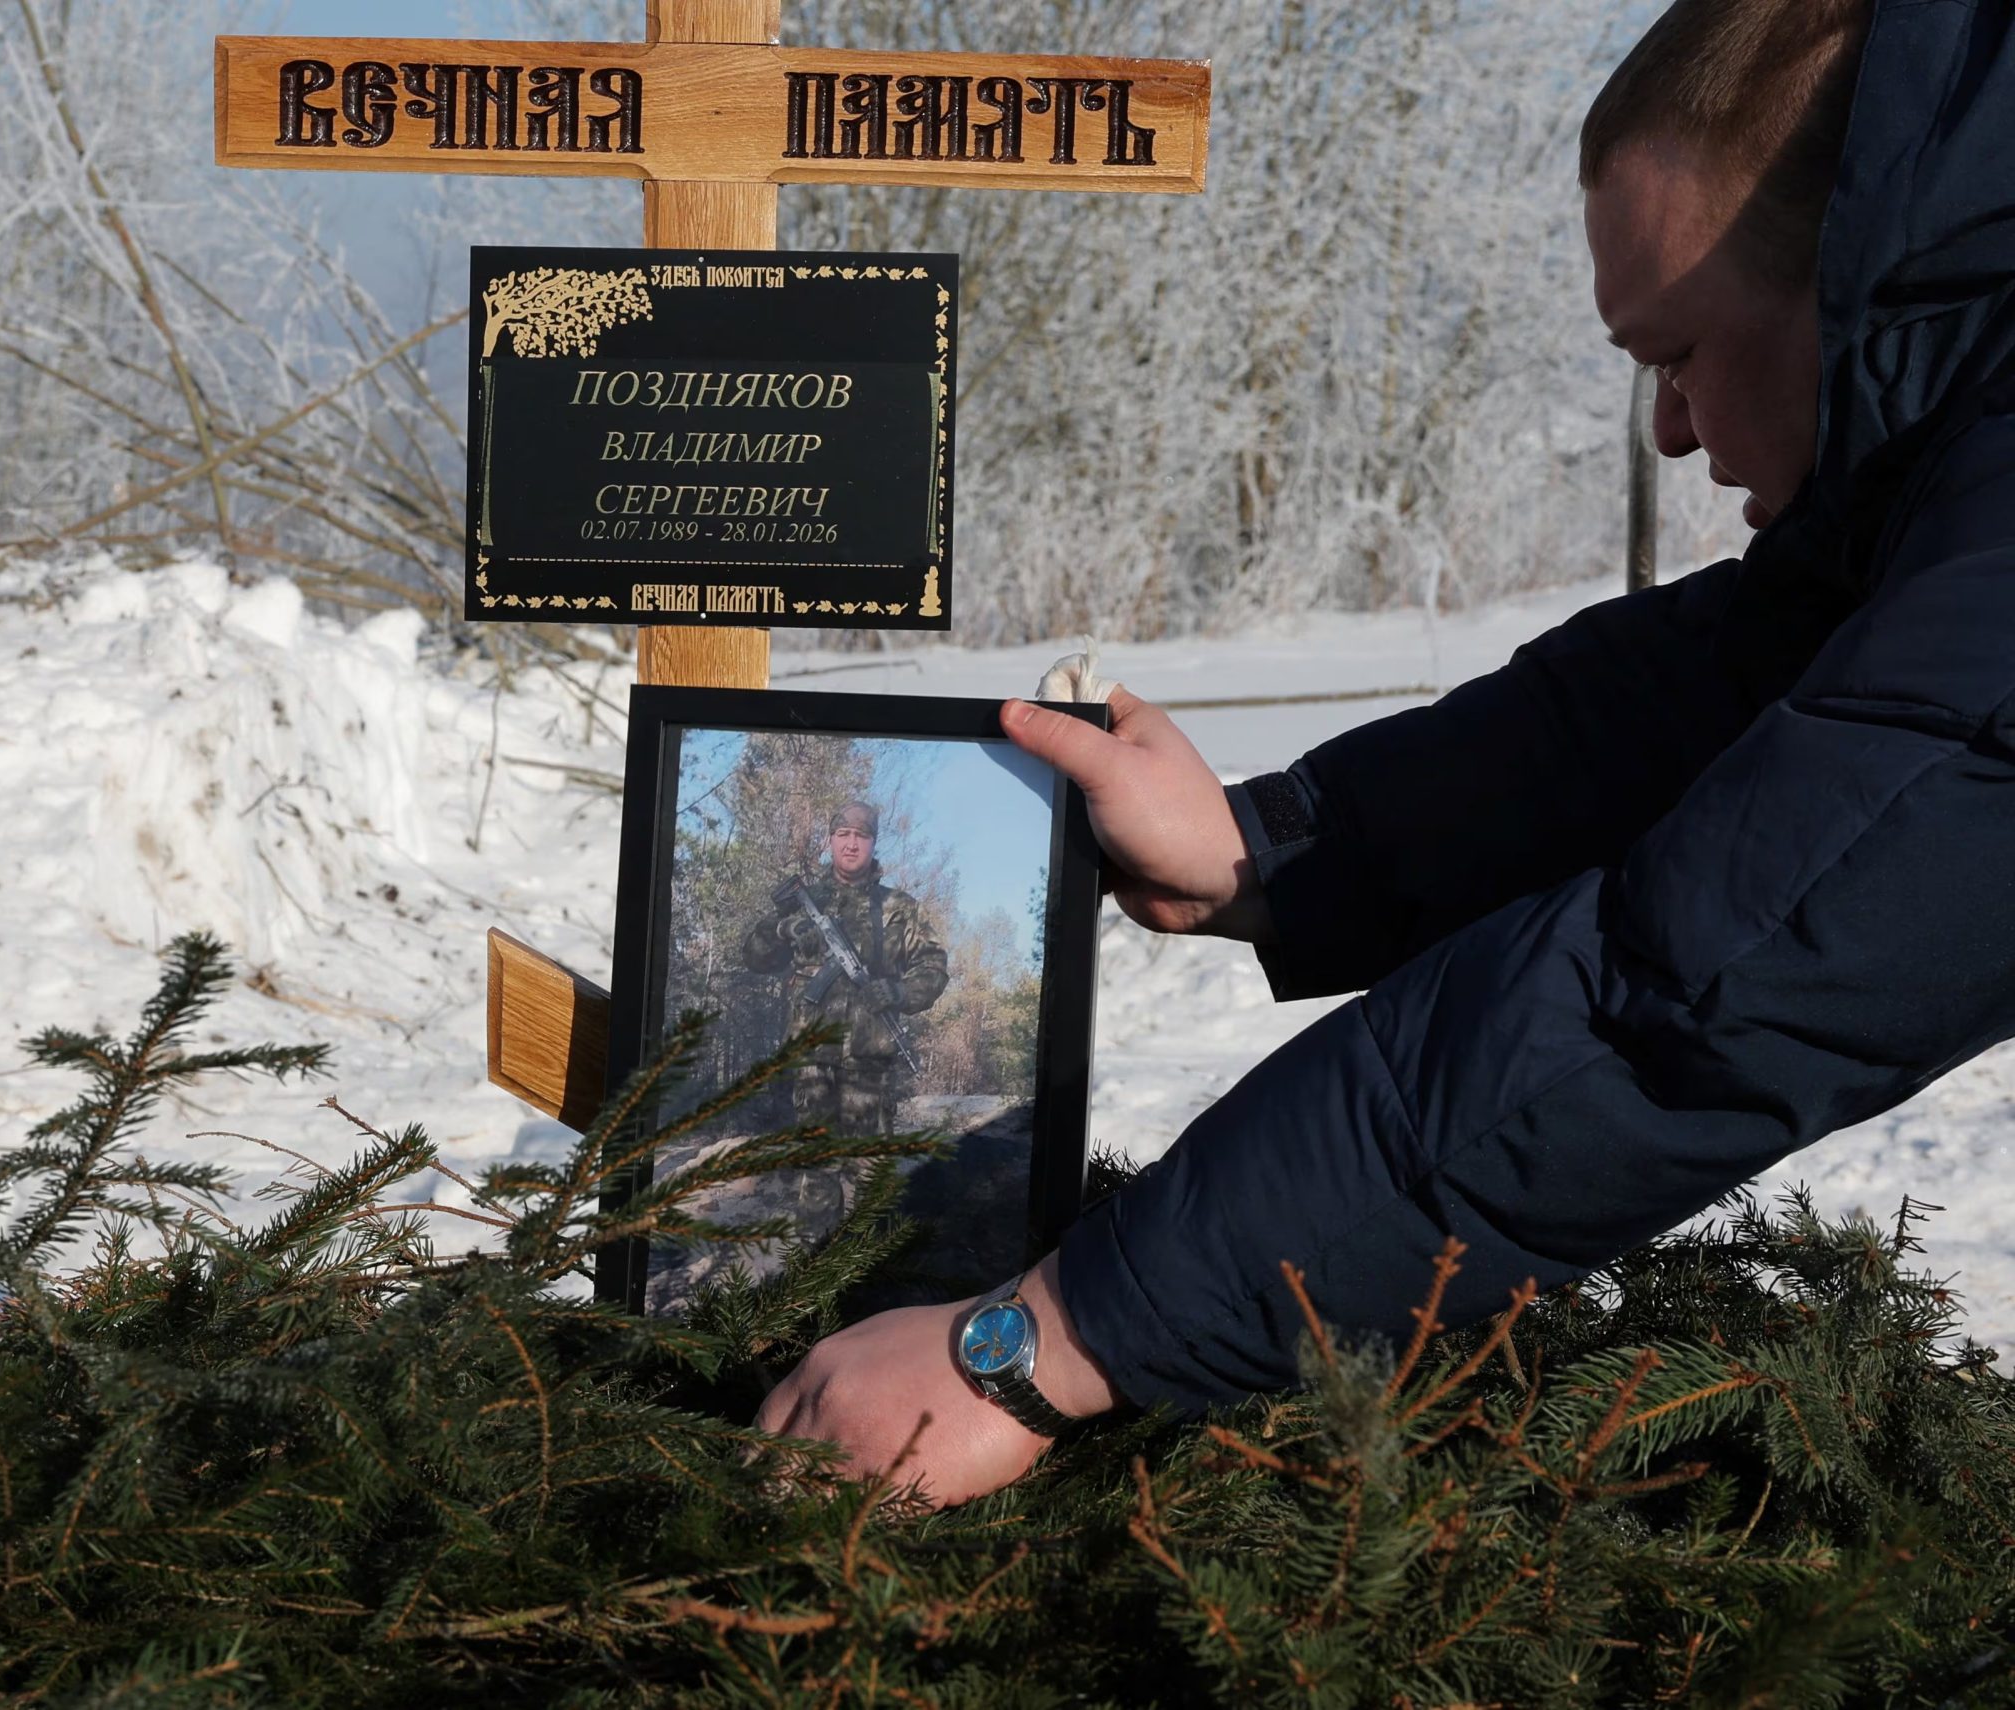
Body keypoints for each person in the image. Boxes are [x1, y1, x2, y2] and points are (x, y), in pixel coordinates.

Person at [761, 0, 2015, 1508]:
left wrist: (1035, 1345)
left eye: (1676, 351)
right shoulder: (1946, 446)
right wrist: (1277, 857)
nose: (1671, 430)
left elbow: (1695, 987)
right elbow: (1709, 696)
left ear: (1860, 282)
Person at [742, 801, 949, 1136]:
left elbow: (934, 967)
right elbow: (754, 957)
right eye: (843, 834)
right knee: (816, 1174)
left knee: (868, 1179)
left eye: (862, 836)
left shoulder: (900, 908)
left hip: (870, 1068)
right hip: (811, 1064)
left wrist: (899, 992)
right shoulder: (803, 901)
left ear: (874, 842)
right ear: (830, 840)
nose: (852, 843)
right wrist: (785, 931)